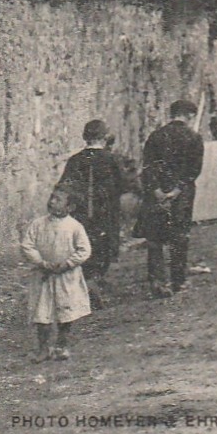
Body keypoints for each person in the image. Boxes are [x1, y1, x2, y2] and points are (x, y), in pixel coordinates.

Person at [136, 100, 204, 297]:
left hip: (156, 195)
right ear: (190, 116)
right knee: (180, 237)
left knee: (155, 239)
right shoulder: (194, 138)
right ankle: (178, 281)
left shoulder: (156, 137)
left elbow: (148, 168)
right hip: (181, 195)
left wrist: (156, 190)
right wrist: (177, 189)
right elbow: (194, 170)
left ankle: (157, 282)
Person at [58, 120, 127, 309]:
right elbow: (123, 184)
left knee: (83, 245)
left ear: (85, 138)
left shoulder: (75, 160)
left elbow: (64, 185)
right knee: (104, 247)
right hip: (105, 213)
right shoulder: (112, 159)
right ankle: (93, 281)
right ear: (104, 138)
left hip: (80, 214)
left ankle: (88, 281)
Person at [21, 186, 91, 361]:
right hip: (43, 275)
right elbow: (27, 245)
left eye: (58, 200)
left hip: (66, 276)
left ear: (70, 207)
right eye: (51, 198)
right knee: (41, 313)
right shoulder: (37, 224)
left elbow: (84, 250)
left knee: (65, 311)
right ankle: (43, 348)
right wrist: (41, 262)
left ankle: (61, 345)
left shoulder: (75, 227)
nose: (52, 202)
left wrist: (67, 263)